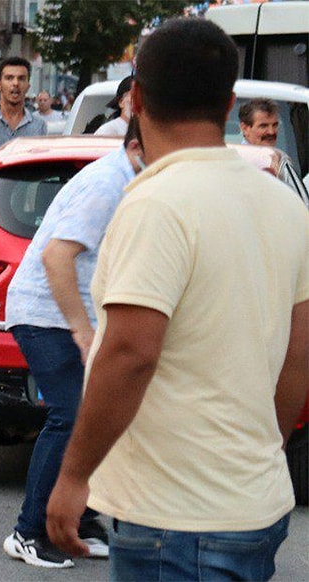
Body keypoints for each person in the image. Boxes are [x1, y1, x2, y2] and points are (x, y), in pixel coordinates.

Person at [46, 18, 308, 581]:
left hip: (175, 518)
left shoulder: (155, 204)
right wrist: (262, 452)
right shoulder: (285, 206)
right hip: (254, 503)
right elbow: (299, 356)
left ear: (135, 97)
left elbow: (130, 352)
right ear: (230, 102)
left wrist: (73, 477)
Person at [3, 121, 145, 569]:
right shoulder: (108, 183)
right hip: (45, 315)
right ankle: (28, 533)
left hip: (73, 316)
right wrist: (81, 330)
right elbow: (55, 256)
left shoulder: (133, 178)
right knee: (70, 416)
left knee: (96, 417)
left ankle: (77, 521)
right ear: (138, 145)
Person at [0, 56, 45, 148]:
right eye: (9, 78)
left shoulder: (38, 125)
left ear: (28, 87)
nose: (15, 83)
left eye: (21, 78)